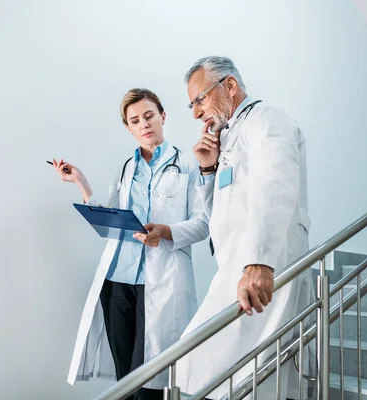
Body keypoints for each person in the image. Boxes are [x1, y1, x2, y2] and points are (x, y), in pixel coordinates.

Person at [54, 88, 210, 400]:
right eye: (135, 120)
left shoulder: (190, 165)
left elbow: (203, 223)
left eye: (149, 115)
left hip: (160, 282)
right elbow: (114, 218)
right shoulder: (125, 168)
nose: (144, 124)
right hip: (117, 282)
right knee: (125, 381)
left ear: (163, 116)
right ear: (129, 128)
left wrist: (165, 231)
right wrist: (82, 185)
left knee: (151, 381)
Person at [175, 56, 316, 400]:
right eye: (191, 104)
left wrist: (259, 261)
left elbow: (276, 185)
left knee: (221, 365)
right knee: (198, 363)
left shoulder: (267, 121)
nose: (195, 112)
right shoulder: (231, 138)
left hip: (265, 266)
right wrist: (208, 170)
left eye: (200, 100)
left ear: (230, 86)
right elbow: (221, 214)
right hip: (234, 269)